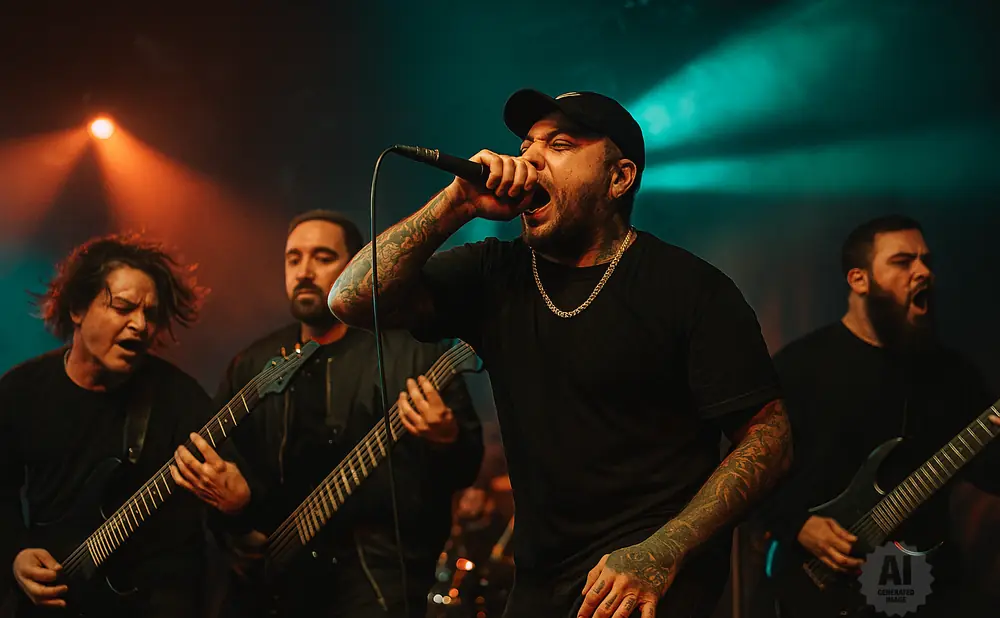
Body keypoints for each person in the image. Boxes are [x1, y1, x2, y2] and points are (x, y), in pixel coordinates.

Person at [329, 89, 794, 618]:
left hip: (646, 583)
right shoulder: (494, 274)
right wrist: (455, 203)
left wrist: (663, 552)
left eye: (560, 144)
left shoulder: (691, 289)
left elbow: (770, 438)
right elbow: (349, 298)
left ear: (619, 178)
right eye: (526, 144)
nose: (529, 158)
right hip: (538, 582)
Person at [198, 210, 483, 618]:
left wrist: (446, 435)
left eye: (322, 257)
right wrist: (237, 525)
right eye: (293, 259)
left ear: (354, 266)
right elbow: (219, 473)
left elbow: (466, 465)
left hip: (378, 583)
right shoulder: (252, 364)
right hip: (271, 586)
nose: (305, 271)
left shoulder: (412, 350)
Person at [760, 215, 1000, 617]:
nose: (923, 271)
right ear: (859, 280)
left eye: (926, 260)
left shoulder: (952, 375)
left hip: (919, 575)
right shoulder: (799, 367)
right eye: (903, 261)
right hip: (821, 577)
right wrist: (797, 525)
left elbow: (989, 472)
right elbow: (747, 471)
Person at [0, 234, 248, 617]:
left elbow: (225, 502)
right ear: (78, 309)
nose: (140, 324)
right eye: (124, 307)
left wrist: (236, 503)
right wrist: (15, 553)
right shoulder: (21, 391)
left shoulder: (180, 399)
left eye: (150, 314)